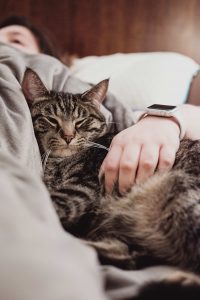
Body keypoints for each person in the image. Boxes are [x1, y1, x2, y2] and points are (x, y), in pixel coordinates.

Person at [0, 15, 200, 300]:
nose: (69, 135)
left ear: (44, 53)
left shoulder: (94, 104)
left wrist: (166, 118)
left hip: (166, 186)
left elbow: (194, 115)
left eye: (16, 39)